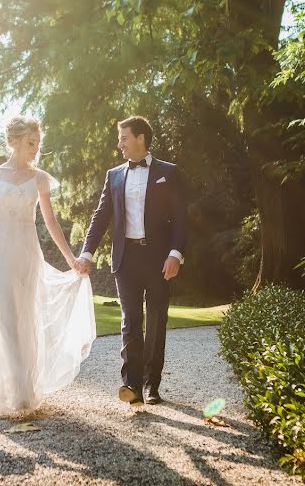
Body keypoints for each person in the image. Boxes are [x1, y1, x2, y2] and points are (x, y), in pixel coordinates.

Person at [0, 115, 95, 414]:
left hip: (28, 254)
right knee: (5, 319)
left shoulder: (40, 178)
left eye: (37, 144)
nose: (35, 149)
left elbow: (51, 221)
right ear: (14, 141)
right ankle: (17, 391)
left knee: (24, 320)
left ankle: (25, 389)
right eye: (31, 143)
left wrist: (71, 259)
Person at [75, 116, 188, 407]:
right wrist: (87, 252)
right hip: (126, 258)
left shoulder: (169, 172)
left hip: (159, 257)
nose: (119, 144)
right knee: (130, 322)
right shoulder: (114, 175)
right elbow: (101, 217)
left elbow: (180, 218)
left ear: (140, 138)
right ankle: (132, 384)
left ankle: (152, 385)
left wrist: (176, 253)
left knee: (156, 320)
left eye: (124, 137)